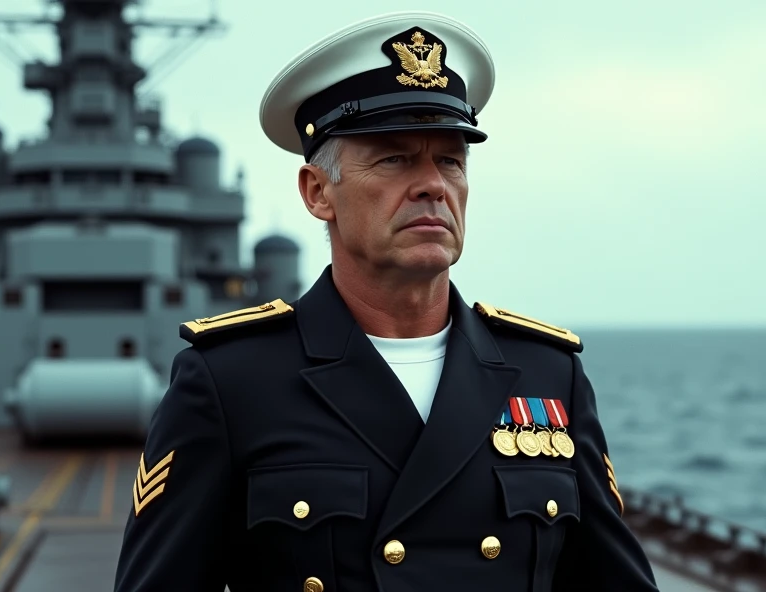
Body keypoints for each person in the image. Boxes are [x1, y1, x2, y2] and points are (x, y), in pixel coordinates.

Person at [113, 10, 659, 592]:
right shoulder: (230, 381)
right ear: (318, 192)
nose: (433, 184)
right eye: (394, 158)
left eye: (450, 159)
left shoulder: (550, 374)